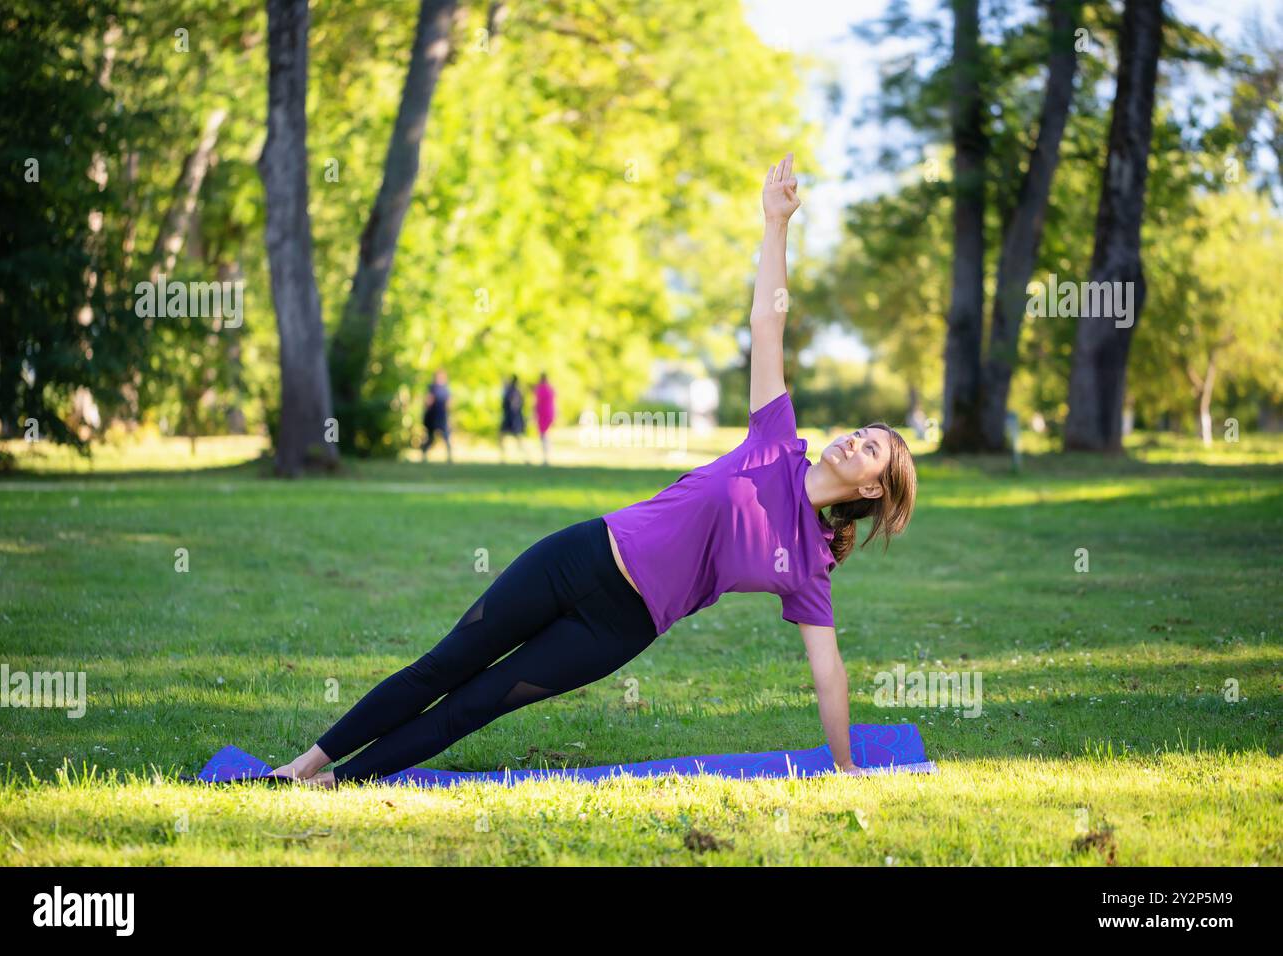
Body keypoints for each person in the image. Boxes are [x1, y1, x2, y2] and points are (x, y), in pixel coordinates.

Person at [271, 154, 917, 787]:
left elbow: (828, 671)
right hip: (579, 556)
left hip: (616, 628)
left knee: (477, 704)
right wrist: (775, 225)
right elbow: (766, 319)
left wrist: (843, 767)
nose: (855, 441)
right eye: (861, 433)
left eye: (871, 451)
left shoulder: (807, 563)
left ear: (869, 489)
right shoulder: (776, 439)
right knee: (441, 667)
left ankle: (337, 784)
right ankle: (302, 766)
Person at [419, 369, 452, 463]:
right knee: (430, 438)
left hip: (442, 417)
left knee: (446, 437)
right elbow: (428, 401)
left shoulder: (446, 389)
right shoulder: (432, 388)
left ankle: (449, 457)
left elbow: (449, 403)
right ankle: (423, 454)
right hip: (432, 416)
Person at [499, 375, 527, 463]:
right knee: (504, 437)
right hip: (512, 417)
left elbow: (515, 405)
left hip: (511, 417)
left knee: (517, 438)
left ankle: (525, 458)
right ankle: (504, 458)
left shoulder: (513, 391)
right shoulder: (515, 391)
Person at [533, 372, 555, 465]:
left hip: (542, 414)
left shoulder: (539, 389)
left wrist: (534, 414)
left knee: (543, 436)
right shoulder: (550, 389)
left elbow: (537, 402)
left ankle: (546, 457)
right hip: (549, 413)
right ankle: (547, 456)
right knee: (545, 435)